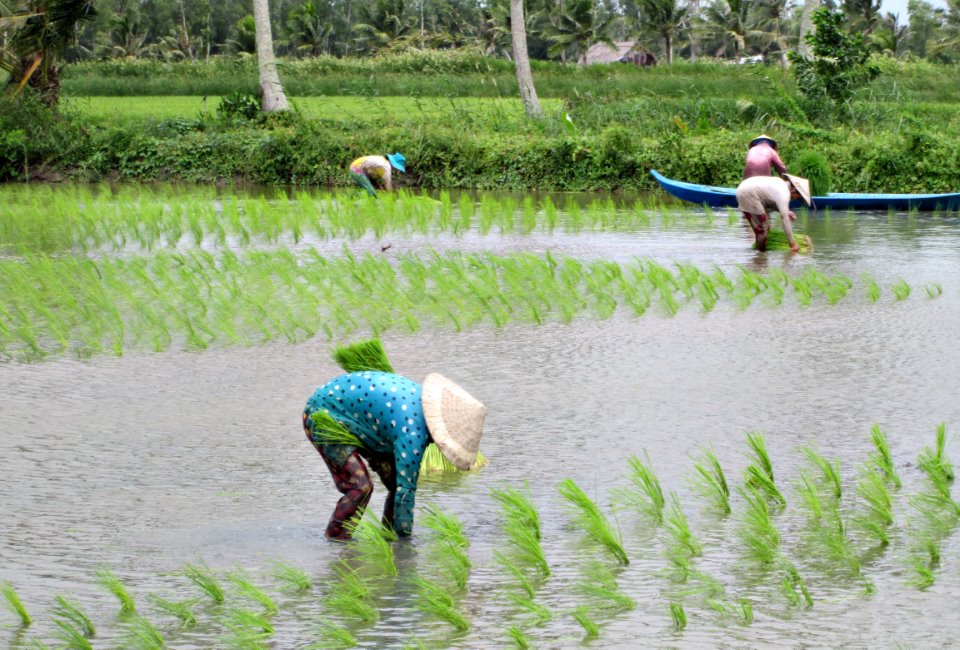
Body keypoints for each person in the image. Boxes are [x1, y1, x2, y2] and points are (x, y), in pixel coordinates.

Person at [302, 371, 485, 539]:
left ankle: (387, 536)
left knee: (394, 483)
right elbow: (406, 492)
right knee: (360, 486)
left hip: (358, 420)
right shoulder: (413, 432)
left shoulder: (419, 402)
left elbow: (399, 487)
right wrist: (406, 543)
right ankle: (335, 540)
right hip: (323, 414)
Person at [736, 173, 812, 252]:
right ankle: (760, 256)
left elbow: (770, 201)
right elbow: (785, 219)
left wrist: (787, 212)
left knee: (764, 228)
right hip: (747, 193)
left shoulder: (781, 184)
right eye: (797, 197)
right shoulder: (784, 192)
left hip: (745, 189)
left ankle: (759, 253)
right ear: (793, 190)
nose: (795, 199)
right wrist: (792, 244)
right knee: (763, 228)